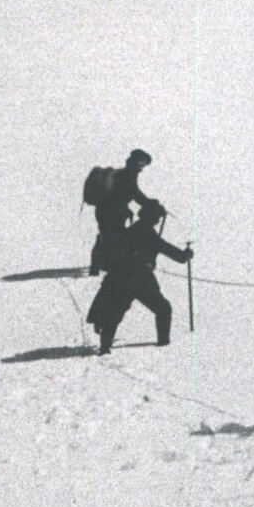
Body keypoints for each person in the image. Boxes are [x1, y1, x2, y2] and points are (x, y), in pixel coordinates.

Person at [85, 196, 192, 353]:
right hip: (141, 280)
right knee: (163, 309)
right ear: (152, 217)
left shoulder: (132, 230)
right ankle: (164, 344)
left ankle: (105, 347)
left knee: (114, 314)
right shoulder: (148, 233)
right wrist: (186, 254)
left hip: (119, 278)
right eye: (157, 217)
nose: (158, 220)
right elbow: (174, 254)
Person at [89, 148, 152, 276]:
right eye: (141, 164)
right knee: (111, 237)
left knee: (108, 236)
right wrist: (149, 204)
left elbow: (125, 195)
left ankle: (98, 264)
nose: (142, 168)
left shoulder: (125, 173)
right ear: (135, 161)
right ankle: (101, 264)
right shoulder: (127, 175)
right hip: (109, 212)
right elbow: (134, 193)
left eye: (143, 165)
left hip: (110, 212)